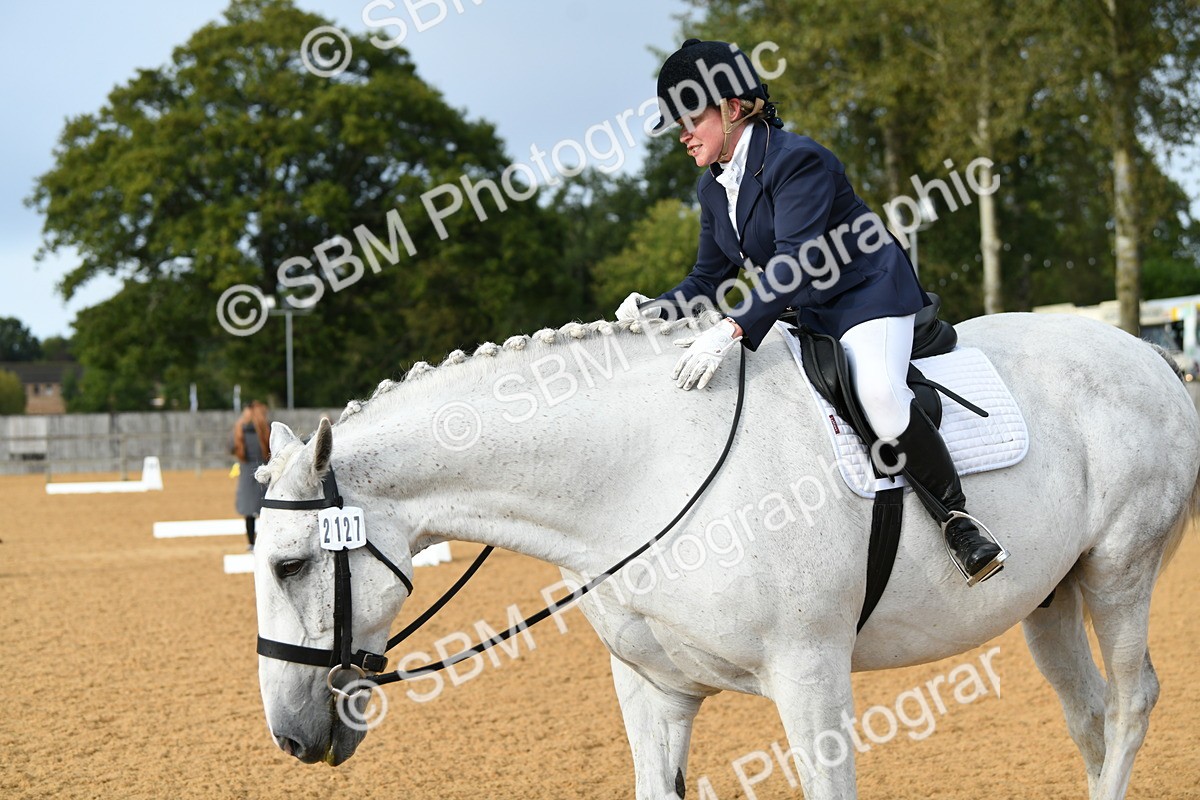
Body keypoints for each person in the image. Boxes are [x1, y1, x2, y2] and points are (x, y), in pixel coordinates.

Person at [617, 39, 1005, 585]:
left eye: (690, 117)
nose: (681, 133)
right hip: (809, 312)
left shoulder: (797, 160)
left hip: (868, 297)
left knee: (877, 392)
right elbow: (708, 279)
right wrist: (655, 309)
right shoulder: (712, 189)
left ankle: (960, 521)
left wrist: (730, 329)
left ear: (732, 108)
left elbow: (796, 261)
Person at [231, 401, 271, 549]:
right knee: (266, 511)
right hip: (265, 474)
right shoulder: (267, 429)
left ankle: (250, 543)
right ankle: (266, 541)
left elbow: (231, 447)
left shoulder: (239, 430)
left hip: (246, 474)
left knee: (248, 512)